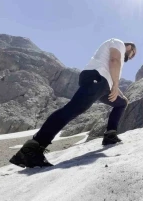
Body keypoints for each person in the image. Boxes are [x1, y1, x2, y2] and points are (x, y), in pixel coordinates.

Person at [9, 38, 136, 168]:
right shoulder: (119, 43)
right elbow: (113, 61)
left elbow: (111, 73)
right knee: (72, 109)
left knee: (121, 103)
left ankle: (110, 135)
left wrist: (120, 94)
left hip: (102, 84)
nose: (131, 57)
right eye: (133, 53)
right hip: (97, 78)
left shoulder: (117, 55)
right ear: (129, 46)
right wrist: (115, 85)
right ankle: (32, 149)